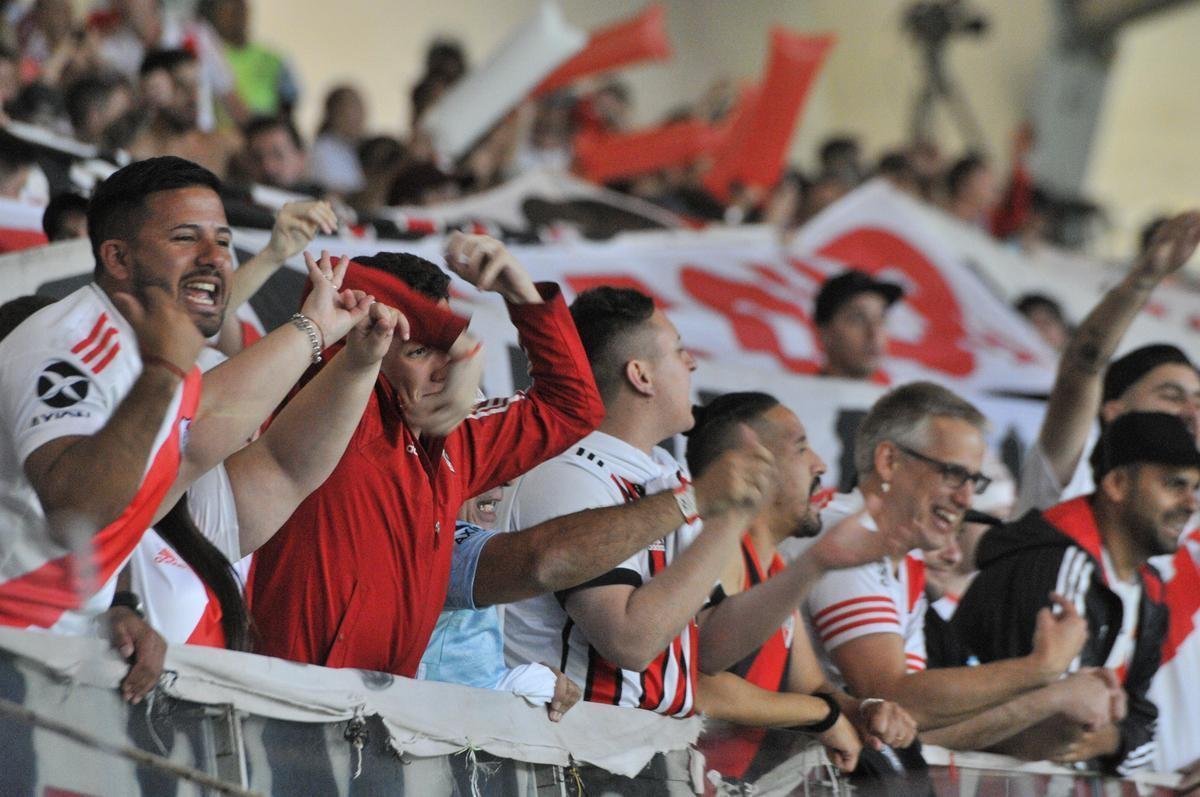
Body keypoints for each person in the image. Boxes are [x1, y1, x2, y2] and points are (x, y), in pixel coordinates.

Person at [0, 156, 362, 701]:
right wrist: (165, 373)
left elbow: (195, 448)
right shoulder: (67, 348)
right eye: (185, 238)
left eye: (222, 239)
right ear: (117, 257)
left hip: (54, 672)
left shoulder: (135, 349)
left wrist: (122, 604)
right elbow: (75, 510)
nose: (215, 258)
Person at [247, 234, 606, 678]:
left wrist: (522, 296)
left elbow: (574, 406)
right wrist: (461, 343)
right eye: (420, 348)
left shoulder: (458, 441)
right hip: (283, 696)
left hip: (383, 717)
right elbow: (344, 281)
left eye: (446, 348)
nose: (444, 367)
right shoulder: (328, 398)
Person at [797, 382, 1121, 784]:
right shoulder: (845, 532)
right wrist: (1040, 670)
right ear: (888, 461)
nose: (967, 498)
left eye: (974, 481)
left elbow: (912, 727)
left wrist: (1050, 700)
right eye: (952, 474)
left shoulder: (904, 561)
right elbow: (889, 694)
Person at [684, 392, 918, 782]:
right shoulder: (711, 545)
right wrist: (820, 716)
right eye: (802, 448)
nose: (820, 464)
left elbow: (812, 685)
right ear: (752, 458)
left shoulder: (775, 568)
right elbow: (696, 684)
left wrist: (863, 710)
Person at [957, 412, 1200, 775]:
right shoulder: (1056, 563)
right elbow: (1058, 732)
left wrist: (1113, 741)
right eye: (1174, 485)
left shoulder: (1149, 587)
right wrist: (1108, 737)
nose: (1191, 503)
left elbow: (1145, 732)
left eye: (1195, 489)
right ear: (1117, 484)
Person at [1015, 211, 1200, 516]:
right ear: (1113, 411)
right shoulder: (1075, 469)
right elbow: (1083, 366)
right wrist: (1146, 276)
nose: (1191, 413)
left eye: (1198, 402)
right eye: (1171, 396)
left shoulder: (1186, 517)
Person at [129, 48, 240, 178]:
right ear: (154, 92)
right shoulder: (140, 155)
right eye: (182, 87)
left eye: (196, 86)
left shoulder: (226, 146)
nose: (193, 98)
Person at [813, 269, 904, 383]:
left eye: (881, 319)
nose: (874, 333)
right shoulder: (796, 398)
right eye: (858, 319)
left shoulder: (896, 400)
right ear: (825, 333)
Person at [241, 114, 320, 194]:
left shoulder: (324, 201)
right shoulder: (236, 200)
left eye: (278, 155)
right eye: (257, 158)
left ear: (302, 157)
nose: (268, 167)